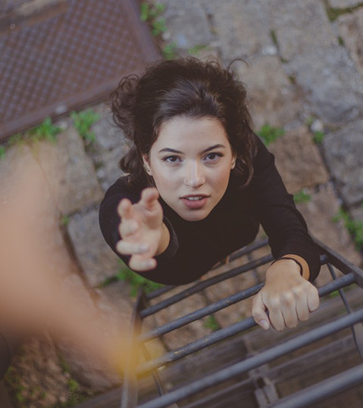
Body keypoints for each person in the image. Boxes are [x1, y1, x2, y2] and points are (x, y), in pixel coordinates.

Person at [99, 58, 323, 332]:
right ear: (146, 160)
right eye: (172, 159)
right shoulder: (127, 201)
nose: (194, 179)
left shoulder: (247, 155)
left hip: (235, 235)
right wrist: (151, 237)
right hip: (186, 265)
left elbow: (289, 227)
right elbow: (117, 216)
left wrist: (286, 268)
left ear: (234, 154)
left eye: (212, 156)